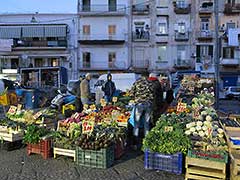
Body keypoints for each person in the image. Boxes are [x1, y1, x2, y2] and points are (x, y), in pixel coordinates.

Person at [129, 73, 154, 149]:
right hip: (148, 105)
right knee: (146, 124)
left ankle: (135, 144)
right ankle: (147, 144)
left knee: (136, 125)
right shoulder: (150, 83)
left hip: (139, 104)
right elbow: (153, 94)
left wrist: (136, 97)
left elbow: (131, 93)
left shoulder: (137, 82)